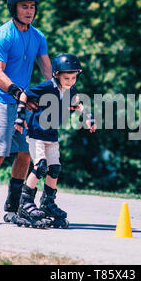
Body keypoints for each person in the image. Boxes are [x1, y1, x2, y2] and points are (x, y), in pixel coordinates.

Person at [0, 0, 52, 224]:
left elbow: (47, 69)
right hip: (0, 99)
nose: (29, 11)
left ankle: (15, 203)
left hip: (23, 102)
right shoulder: (4, 35)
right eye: (24, 6)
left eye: (32, 7)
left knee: (26, 152)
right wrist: (17, 91)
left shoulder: (38, 37)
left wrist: (60, 90)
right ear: (13, 8)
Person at [13, 53, 96, 228]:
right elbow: (23, 94)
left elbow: (79, 103)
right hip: (37, 133)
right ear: (56, 74)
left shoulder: (70, 90)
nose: (71, 81)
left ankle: (47, 203)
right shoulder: (46, 87)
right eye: (67, 78)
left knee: (55, 168)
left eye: (74, 78)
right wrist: (20, 117)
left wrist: (88, 117)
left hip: (52, 134)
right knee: (40, 166)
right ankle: (24, 204)